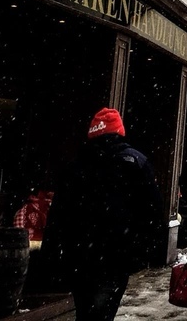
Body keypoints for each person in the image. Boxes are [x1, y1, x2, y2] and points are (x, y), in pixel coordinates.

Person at [42, 108, 162, 321]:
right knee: (103, 311)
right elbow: (152, 211)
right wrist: (144, 249)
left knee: (85, 310)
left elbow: (59, 212)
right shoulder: (136, 162)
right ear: (119, 131)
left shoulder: (75, 165)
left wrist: (52, 250)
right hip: (117, 254)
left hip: (79, 254)